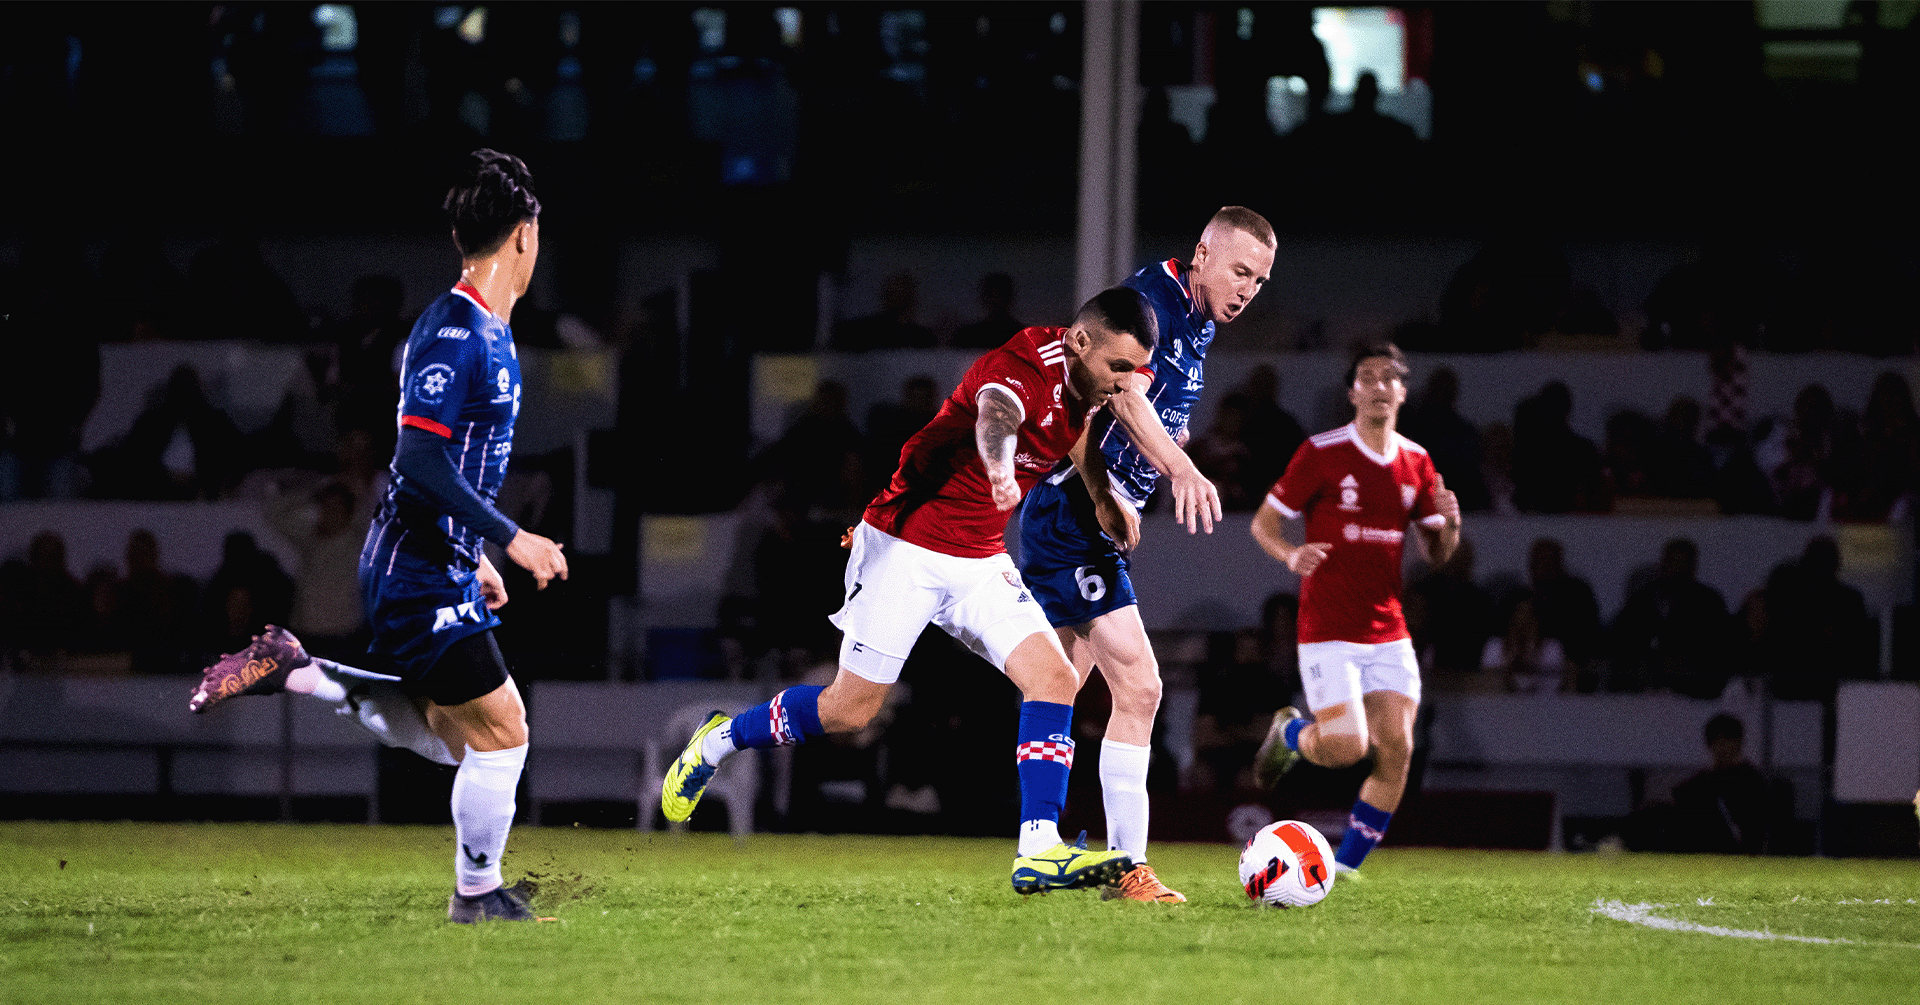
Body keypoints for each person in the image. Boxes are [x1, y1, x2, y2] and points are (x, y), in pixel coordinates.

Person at [661, 287, 1159, 896]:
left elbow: (1075, 429)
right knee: (850, 710)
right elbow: (996, 417)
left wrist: (1102, 496)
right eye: (1119, 370)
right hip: (906, 547)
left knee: (1055, 678)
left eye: (1135, 372)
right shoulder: (1021, 366)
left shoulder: (1096, 381)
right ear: (1080, 343)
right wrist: (1001, 467)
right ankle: (716, 741)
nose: (1127, 384)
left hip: (978, 557)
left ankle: (1038, 850)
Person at [187, 149, 570, 925]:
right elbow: (419, 457)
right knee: (503, 732)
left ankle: (296, 668)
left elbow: (452, 463)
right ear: (524, 237)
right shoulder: (455, 333)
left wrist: (478, 551)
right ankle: (476, 895)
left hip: (441, 562)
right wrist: (512, 535)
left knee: (457, 738)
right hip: (413, 572)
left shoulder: (489, 331)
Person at [1016, 206, 1276, 902]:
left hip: (1087, 517)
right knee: (1141, 686)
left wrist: (1168, 445)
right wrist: (1178, 468)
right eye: (1241, 270)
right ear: (1202, 254)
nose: (1250, 288)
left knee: (1058, 685)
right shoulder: (1149, 304)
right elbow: (1125, 397)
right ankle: (1127, 867)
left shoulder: (1198, 323)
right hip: (1072, 508)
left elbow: (1149, 407)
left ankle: (1040, 843)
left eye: (1261, 279)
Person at [1249, 340, 1461, 877]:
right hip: (1327, 629)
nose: (1379, 386)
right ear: (1352, 392)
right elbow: (1264, 524)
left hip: (1388, 630)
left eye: (1390, 376)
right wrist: (1291, 553)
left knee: (1397, 750)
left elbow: (1436, 555)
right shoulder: (1321, 453)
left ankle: (1346, 869)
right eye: (1367, 377)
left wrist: (1450, 526)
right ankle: (1292, 734)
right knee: (1347, 747)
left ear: (1403, 391)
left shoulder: (1417, 461)